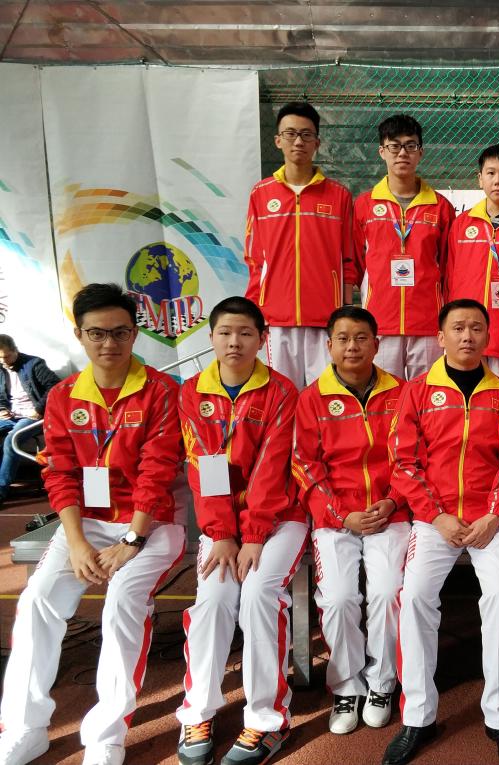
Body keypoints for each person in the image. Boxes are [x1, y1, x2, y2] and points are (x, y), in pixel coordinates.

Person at [0, 283, 186, 765]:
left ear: (135, 334)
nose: (109, 343)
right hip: (86, 523)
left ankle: (106, 733)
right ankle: (25, 727)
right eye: (97, 333)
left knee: (122, 601)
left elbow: (157, 470)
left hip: (152, 523)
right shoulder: (62, 397)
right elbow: (59, 473)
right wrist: (77, 542)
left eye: (120, 332)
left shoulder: (163, 392)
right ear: (80, 335)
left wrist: (132, 539)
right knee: (38, 600)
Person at [383, 299, 499, 765]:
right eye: (458, 328)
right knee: (414, 598)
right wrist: (436, 514)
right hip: (435, 520)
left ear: (488, 337)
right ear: (440, 337)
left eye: (477, 328)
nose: (468, 336)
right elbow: (403, 462)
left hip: (492, 521)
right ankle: (417, 716)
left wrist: (495, 514)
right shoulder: (418, 391)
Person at [176, 297, 307, 765]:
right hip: (223, 527)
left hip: (280, 518)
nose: (235, 342)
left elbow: (273, 469)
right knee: (213, 599)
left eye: (246, 333)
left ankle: (267, 720)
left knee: (257, 595)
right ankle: (197, 711)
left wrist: (252, 534)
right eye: (225, 332)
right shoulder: (192, 393)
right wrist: (222, 534)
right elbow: (202, 467)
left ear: (262, 339)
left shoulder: (281, 391)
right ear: (211, 337)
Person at [292, 305, 409, 736]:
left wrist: (393, 501)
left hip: (390, 512)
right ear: (329, 346)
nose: (352, 346)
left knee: (387, 593)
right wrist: (343, 515)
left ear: (377, 344)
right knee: (339, 599)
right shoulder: (311, 398)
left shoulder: (402, 392)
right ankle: (346, 686)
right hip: (335, 518)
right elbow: (305, 465)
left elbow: (414, 457)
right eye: (342, 338)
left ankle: (381, 683)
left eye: (361, 338)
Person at [244, 101, 358, 389]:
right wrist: (256, 312)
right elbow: (255, 260)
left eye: (306, 135)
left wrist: (344, 312)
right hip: (276, 319)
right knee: (282, 395)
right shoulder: (261, 194)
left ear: (317, 143)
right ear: (278, 140)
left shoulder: (339, 195)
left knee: (327, 396)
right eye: (291, 133)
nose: (298, 141)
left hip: (326, 319)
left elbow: (348, 259)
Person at [354, 114, 455, 380]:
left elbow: (448, 267)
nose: (402, 153)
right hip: (380, 322)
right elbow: (356, 263)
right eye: (394, 146)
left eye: (410, 145)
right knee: (385, 394)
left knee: (426, 393)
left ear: (420, 152)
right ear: (382, 151)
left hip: (427, 324)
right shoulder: (364, 205)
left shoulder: (441, 207)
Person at [445, 144, 499, 381]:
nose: (497, 181)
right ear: (480, 179)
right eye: (490, 173)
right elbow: (449, 278)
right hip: (466, 337)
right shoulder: (461, 224)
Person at [0, 334, 61, 506]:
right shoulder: (1, 367)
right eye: (0, 358)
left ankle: (1, 489)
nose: (3, 362)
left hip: (33, 416)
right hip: (11, 415)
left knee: (12, 440)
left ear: (16, 351)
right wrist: (2, 409)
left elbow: (55, 386)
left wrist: (38, 409)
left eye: (6, 357)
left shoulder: (34, 364)